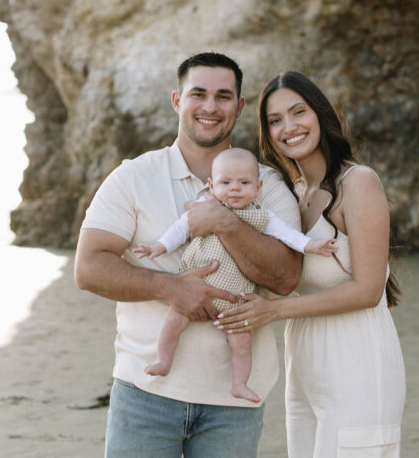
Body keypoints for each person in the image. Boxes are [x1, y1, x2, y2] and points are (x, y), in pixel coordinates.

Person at [68, 53, 302, 458]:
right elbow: (90, 267)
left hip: (235, 397)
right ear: (176, 101)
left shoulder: (262, 184)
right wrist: (175, 286)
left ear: (237, 106)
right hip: (145, 394)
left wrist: (225, 221)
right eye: (197, 93)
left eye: (223, 96)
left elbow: (285, 276)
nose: (210, 105)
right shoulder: (135, 177)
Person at [214, 71, 405, 458]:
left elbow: (367, 289)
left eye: (298, 112)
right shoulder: (293, 193)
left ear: (321, 115)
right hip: (308, 361)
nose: (288, 126)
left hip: (359, 358)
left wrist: (273, 315)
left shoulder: (359, 184)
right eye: (274, 120)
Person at [133, 147, 337, 403]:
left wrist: (312, 246)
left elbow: (289, 236)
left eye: (244, 183)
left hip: (234, 299)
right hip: (193, 290)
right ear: (211, 185)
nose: (235, 189)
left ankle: (240, 383)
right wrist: (159, 247)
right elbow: (180, 229)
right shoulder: (203, 207)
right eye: (225, 182)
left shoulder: (261, 215)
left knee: (242, 341)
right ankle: (164, 360)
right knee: (173, 322)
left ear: (258, 186)